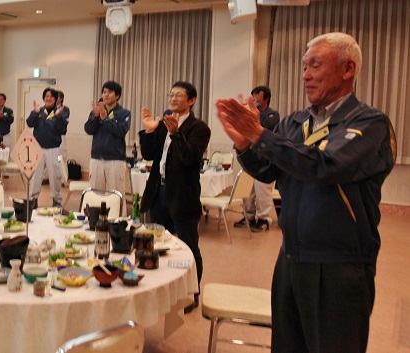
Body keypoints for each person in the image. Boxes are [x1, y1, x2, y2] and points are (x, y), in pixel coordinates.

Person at [216, 32, 396, 353]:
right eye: (303, 67)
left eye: (315, 65)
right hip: (290, 261)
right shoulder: (295, 123)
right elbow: (269, 171)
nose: (305, 75)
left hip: (339, 268)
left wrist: (260, 134)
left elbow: (327, 165)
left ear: (348, 68)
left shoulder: (369, 123)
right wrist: (245, 143)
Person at [139, 81, 211, 313]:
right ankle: (161, 289)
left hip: (182, 195)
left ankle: (192, 293)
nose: (173, 98)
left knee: (189, 246)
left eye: (179, 95)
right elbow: (149, 155)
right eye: (171, 94)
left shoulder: (200, 128)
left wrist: (176, 134)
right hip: (158, 191)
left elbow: (190, 158)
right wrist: (150, 129)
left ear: (191, 100)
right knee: (157, 243)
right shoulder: (163, 123)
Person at [233, 86, 280, 232]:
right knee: (247, 189)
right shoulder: (252, 112)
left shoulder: (273, 114)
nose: (253, 97)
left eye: (256, 94)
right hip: (250, 156)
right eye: (252, 94)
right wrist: (243, 110)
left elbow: (264, 125)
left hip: (265, 158)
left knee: (262, 191)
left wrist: (253, 109)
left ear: (265, 96)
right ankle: (249, 216)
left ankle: (264, 219)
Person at [84, 81, 131, 214]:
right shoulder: (97, 111)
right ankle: (95, 221)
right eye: (104, 92)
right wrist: (96, 116)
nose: (106, 94)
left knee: (115, 194)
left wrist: (105, 119)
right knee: (95, 193)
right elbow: (88, 129)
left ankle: (118, 222)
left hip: (115, 160)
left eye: (109, 92)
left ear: (117, 95)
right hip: (96, 158)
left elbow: (121, 130)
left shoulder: (124, 113)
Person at [26, 88, 67, 208]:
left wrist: (58, 117)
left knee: (55, 175)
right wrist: (35, 113)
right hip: (38, 148)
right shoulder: (39, 110)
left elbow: (63, 130)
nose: (48, 98)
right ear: (44, 98)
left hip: (54, 149)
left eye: (51, 97)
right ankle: (33, 199)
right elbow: (29, 123)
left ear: (55, 99)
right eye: (46, 96)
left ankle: (57, 199)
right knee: (35, 176)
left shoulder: (60, 112)